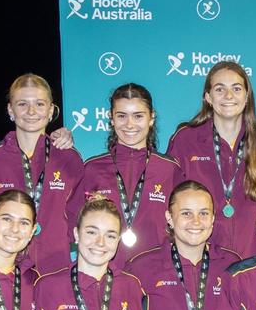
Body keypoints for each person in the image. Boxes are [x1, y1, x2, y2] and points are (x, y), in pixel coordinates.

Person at [166, 62, 256, 256]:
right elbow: (170, 200)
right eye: (220, 89)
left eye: (236, 88)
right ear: (208, 97)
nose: (228, 96)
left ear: (246, 96)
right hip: (203, 259)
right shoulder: (185, 139)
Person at [0, 74, 85, 274]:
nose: (31, 112)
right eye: (22, 104)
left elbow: (78, 216)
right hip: (3, 269)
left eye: (39, 104)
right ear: (11, 110)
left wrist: (58, 244)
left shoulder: (69, 159)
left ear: (51, 110)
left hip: (55, 268)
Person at [128, 181, 237, 310]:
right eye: (186, 213)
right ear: (169, 218)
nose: (196, 221)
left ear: (212, 219)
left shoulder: (232, 266)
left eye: (203, 213)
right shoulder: (141, 268)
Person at [78, 83, 182, 268]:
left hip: (157, 274)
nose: (130, 124)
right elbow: (75, 225)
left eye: (138, 116)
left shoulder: (170, 169)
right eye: (121, 116)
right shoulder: (91, 168)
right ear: (111, 119)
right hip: (106, 272)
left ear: (151, 118)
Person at [35, 197, 146, 310]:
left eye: (110, 235)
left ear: (118, 241)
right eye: (91, 232)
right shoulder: (47, 286)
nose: (100, 243)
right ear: (76, 234)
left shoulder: (133, 287)